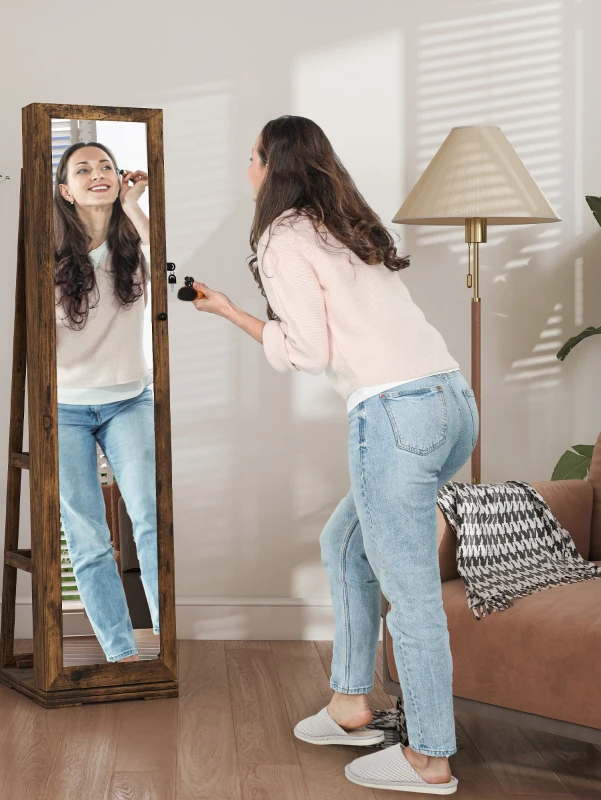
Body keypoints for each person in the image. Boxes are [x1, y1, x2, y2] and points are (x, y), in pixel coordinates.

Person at [190, 115, 478, 795]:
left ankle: (429, 758)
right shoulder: (343, 223)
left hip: (395, 414)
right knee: (344, 546)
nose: (247, 168)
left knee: (411, 595)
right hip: (452, 403)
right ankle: (349, 703)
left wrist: (234, 316)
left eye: (253, 156)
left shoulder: (282, 236)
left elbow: (309, 352)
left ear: (273, 167)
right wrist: (232, 309)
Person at [53, 141, 160, 664]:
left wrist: (134, 203)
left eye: (107, 167)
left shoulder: (134, 243)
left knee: (151, 521)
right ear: (66, 191)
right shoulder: (48, 255)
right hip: (64, 408)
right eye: (83, 169)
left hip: (128, 401)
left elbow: (168, 264)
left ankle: (166, 644)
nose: (98, 174)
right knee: (88, 537)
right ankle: (121, 654)